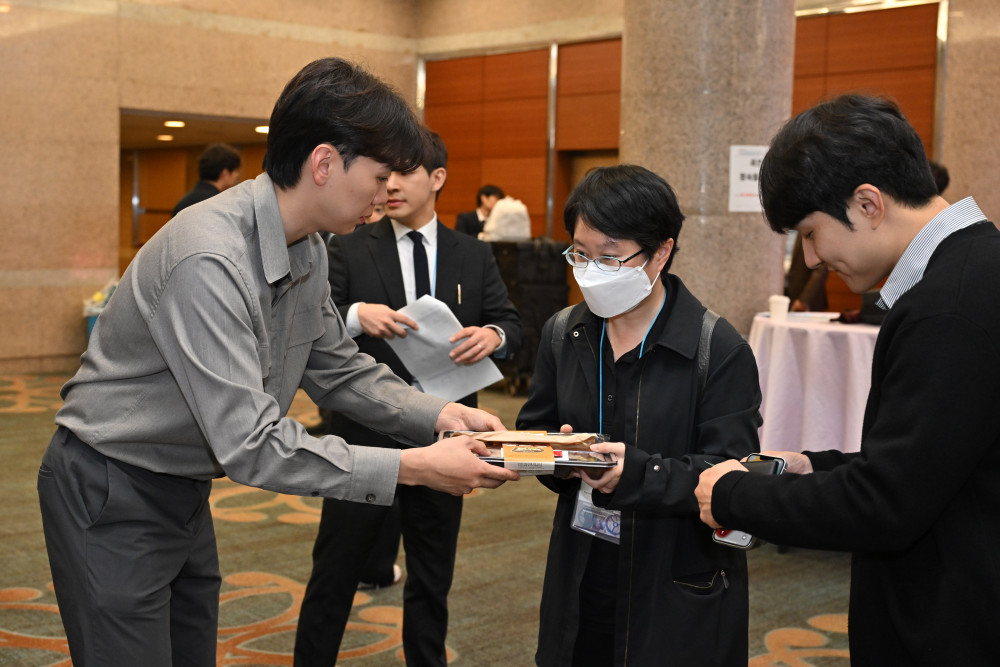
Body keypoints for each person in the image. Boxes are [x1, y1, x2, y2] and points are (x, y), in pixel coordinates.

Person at [36, 57, 519, 667]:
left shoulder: (308, 248)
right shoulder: (209, 258)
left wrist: (440, 415)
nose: (384, 195)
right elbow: (253, 443)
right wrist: (413, 467)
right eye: (378, 176)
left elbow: (339, 368)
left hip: (181, 483)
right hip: (112, 486)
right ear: (324, 163)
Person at [695, 94, 1000, 666]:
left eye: (811, 233)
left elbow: (886, 505)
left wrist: (736, 496)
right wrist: (817, 467)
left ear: (867, 203)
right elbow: (935, 457)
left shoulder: (948, 306)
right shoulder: (971, 272)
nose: (811, 259)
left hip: (952, 621)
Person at [516, 164, 762, 666]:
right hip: (582, 569)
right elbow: (533, 427)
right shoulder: (564, 333)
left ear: (661, 252)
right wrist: (559, 457)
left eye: (609, 258)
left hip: (673, 581)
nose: (591, 271)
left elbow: (732, 474)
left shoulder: (716, 348)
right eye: (580, 254)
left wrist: (637, 473)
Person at [295, 127, 521, 666]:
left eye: (404, 172)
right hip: (364, 434)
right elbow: (311, 325)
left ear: (437, 178)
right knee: (336, 571)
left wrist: (494, 336)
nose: (390, 184)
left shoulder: (472, 253)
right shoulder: (349, 244)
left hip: (448, 437)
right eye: (385, 172)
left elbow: (512, 324)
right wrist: (356, 316)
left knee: (431, 576)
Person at [171, 142, 243, 216]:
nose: (237, 176)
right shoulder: (221, 205)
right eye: (236, 172)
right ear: (225, 173)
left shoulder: (182, 203)